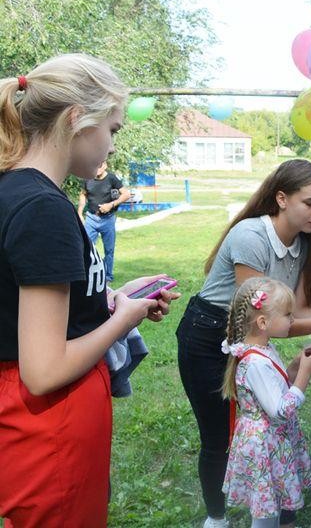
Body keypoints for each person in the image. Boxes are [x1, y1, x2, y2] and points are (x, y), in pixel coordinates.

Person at [0, 54, 179, 527]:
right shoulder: (43, 208)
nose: (113, 147)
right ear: (77, 119)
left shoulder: (17, 191)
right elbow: (44, 369)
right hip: (47, 425)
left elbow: (21, 308)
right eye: (114, 130)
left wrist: (109, 298)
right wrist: (123, 320)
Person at [176, 158, 311, 528]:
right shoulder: (251, 236)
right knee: (218, 438)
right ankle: (217, 519)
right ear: (281, 198)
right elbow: (260, 322)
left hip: (254, 337)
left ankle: (277, 514)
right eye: (310, 203)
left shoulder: (303, 243)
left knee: (275, 431)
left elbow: (301, 308)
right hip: (208, 334)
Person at [221, 277, 311, 528]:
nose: (292, 320)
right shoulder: (255, 362)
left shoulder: (264, 349)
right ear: (263, 322)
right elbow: (280, 411)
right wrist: (305, 375)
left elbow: (275, 388)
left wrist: (293, 368)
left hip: (272, 442)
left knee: (272, 503)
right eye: (288, 314)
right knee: (265, 511)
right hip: (264, 444)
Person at [78, 160, 130, 283]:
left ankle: (107, 276)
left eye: (100, 165)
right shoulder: (88, 178)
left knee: (109, 250)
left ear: (105, 165)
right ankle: (86, 274)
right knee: (86, 248)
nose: (98, 168)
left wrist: (111, 205)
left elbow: (126, 194)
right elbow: (83, 195)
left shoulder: (112, 179)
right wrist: (80, 212)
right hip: (91, 218)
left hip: (108, 219)